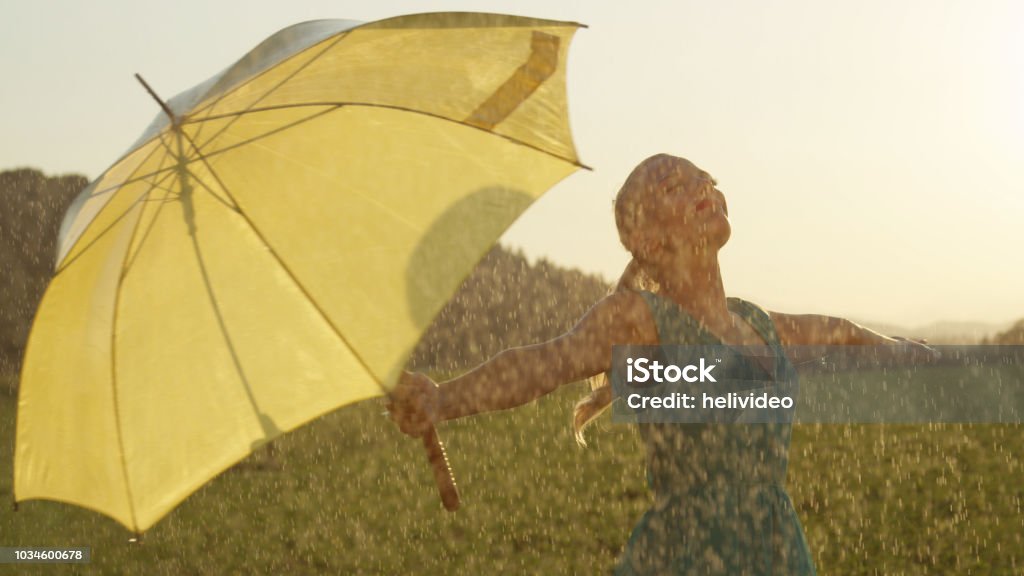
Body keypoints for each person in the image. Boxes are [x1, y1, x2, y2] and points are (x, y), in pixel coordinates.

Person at [388, 153, 934, 574]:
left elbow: (842, 333)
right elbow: (541, 364)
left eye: (704, 178)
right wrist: (442, 400)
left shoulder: (760, 324)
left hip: (777, 550)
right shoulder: (637, 320)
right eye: (675, 187)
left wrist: (931, 361)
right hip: (687, 554)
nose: (702, 187)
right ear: (646, 237)